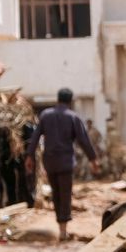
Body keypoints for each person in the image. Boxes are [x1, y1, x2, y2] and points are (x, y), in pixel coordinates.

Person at [26, 88, 98, 241]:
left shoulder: (46, 115)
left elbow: (35, 138)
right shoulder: (73, 117)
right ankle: (63, 230)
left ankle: (61, 227)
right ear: (70, 101)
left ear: (58, 99)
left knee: (56, 193)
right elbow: (84, 140)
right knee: (65, 194)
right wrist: (93, 159)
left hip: (50, 162)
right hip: (65, 162)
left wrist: (29, 156)